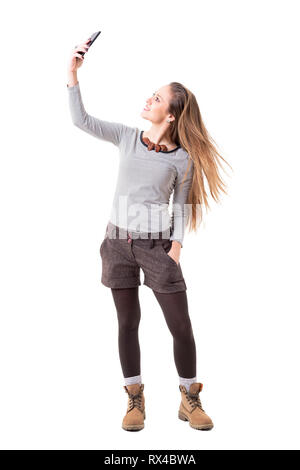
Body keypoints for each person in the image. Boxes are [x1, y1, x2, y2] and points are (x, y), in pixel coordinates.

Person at [67, 38, 230, 432]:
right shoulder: (126, 137)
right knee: (127, 323)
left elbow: (181, 206)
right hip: (117, 244)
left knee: (181, 326)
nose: (149, 99)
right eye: (152, 95)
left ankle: (189, 399)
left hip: (158, 248)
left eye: (157, 98)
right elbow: (81, 121)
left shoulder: (182, 158)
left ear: (171, 115)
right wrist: (72, 74)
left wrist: (176, 246)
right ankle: (134, 399)